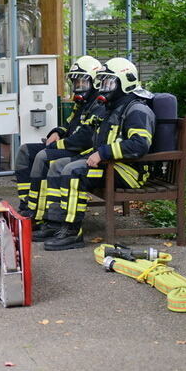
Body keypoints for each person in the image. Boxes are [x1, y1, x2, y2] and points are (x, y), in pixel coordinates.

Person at [39, 57, 155, 251]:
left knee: (73, 171)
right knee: (59, 165)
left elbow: (139, 144)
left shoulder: (137, 109)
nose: (103, 87)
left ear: (124, 83)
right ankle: (55, 223)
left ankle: (72, 231)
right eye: (102, 82)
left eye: (109, 82)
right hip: (109, 164)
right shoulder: (113, 107)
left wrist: (103, 153)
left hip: (128, 171)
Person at [13, 55, 103, 223]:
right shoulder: (82, 103)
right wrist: (56, 132)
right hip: (66, 145)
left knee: (43, 157)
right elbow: (68, 125)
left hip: (80, 151)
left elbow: (85, 139)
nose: (79, 86)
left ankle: (38, 213)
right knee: (25, 151)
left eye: (83, 82)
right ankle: (26, 204)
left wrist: (57, 145)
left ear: (95, 82)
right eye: (76, 82)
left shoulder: (99, 105)